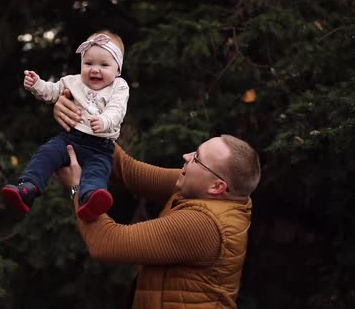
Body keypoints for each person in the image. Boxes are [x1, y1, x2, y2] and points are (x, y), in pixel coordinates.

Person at [54, 93, 261, 309]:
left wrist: (77, 188)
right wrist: (81, 114)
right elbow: (128, 171)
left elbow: (106, 242)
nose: (186, 156)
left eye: (197, 158)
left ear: (218, 187)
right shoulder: (208, 191)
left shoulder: (204, 225)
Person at [2, 31, 129, 222]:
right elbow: (51, 92)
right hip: (70, 138)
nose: (95, 70)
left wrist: (104, 121)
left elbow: (117, 109)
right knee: (46, 154)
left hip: (100, 147)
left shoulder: (119, 86)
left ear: (117, 69)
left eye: (104, 65)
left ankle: (90, 200)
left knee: (97, 173)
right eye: (88, 63)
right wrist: (36, 84)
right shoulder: (73, 81)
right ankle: (28, 187)